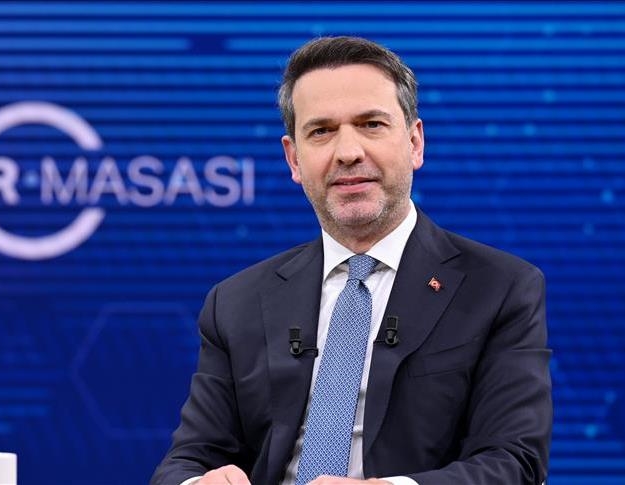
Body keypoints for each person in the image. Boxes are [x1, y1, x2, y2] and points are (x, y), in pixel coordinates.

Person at [151, 36, 551, 485]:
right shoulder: (235, 302)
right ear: (294, 159)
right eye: (321, 131)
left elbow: (514, 462)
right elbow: (186, 461)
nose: (347, 152)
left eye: (371, 124)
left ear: (415, 143)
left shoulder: (499, 289)